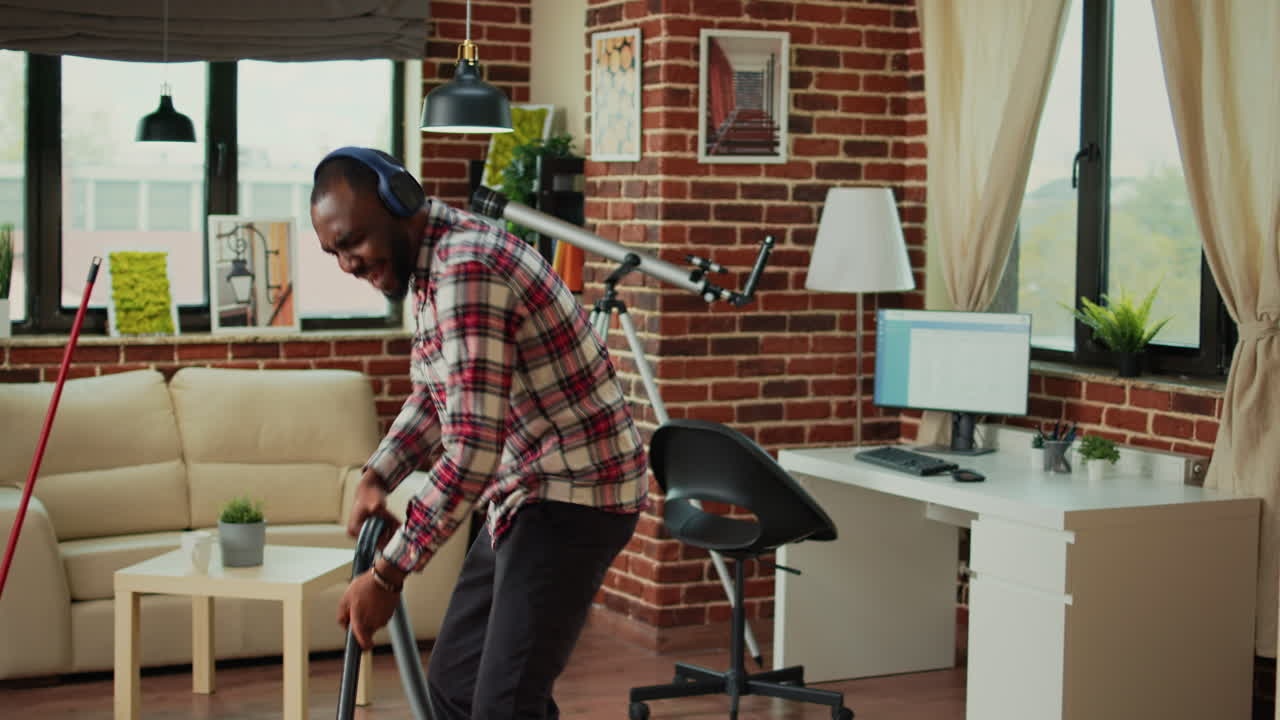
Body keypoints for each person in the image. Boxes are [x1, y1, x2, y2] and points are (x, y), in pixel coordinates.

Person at [311, 147, 648, 719]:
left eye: (353, 242)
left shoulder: (467, 268)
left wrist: (388, 575)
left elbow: (470, 451)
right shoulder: (429, 265)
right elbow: (435, 395)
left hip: (575, 493)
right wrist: (378, 474)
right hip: (522, 493)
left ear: (402, 204)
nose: (347, 264)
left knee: (502, 705)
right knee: (457, 688)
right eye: (333, 253)